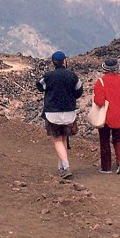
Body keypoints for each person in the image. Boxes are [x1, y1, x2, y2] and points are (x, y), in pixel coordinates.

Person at [36, 51, 83, 179]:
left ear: (53, 62)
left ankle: (66, 167)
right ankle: (61, 166)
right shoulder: (72, 76)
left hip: (52, 112)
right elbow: (79, 91)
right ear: (64, 61)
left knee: (57, 139)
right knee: (63, 138)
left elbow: (39, 86)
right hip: (69, 112)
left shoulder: (48, 76)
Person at [93, 56, 120, 174]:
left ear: (105, 69)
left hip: (105, 116)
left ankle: (106, 167)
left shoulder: (100, 82)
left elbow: (99, 101)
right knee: (118, 139)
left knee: (104, 140)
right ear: (117, 68)